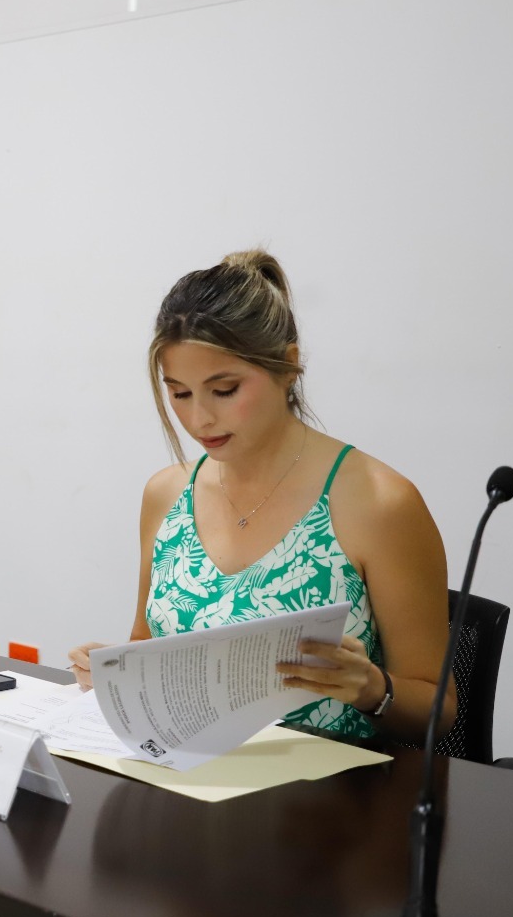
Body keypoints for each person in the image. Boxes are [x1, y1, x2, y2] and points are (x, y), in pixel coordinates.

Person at [68, 250, 451, 741]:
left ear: (288, 366)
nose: (199, 419)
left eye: (225, 390)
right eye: (179, 393)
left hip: (332, 783)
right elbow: (146, 645)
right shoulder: (166, 494)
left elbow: (440, 709)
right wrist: (116, 676)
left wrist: (373, 688)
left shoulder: (379, 503)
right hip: (187, 773)